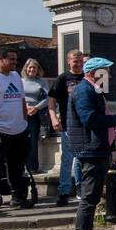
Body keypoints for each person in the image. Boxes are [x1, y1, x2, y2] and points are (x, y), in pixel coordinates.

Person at [68, 57, 116, 230]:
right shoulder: (84, 90)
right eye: (105, 71)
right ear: (92, 73)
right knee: (89, 199)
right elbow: (89, 119)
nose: (108, 75)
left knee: (93, 197)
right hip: (90, 150)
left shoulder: (94, 90)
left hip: (98, 149)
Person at [0, 47, 30, 212]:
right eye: (11, 59)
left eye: (15, 60)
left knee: (16, 165)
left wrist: (25, 120)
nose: (15, 63)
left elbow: (22, 99)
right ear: (0, 59)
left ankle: (16, 195)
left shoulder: (16, 76)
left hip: (18, 128)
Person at [47, 48, 87, 206]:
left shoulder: (87, 78)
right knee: (67, 159)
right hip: (68, 124)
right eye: (75, 61)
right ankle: (64, 191)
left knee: (81, 158)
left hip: (85, 124)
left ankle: (81, 188)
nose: (78, 64)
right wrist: (53, 118)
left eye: (80, 61)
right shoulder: (63, 78)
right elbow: (51, 100)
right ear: (68, 61)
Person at [20, 57, 49, 176]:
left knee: (32, 141)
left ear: (38, 69)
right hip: (20, 113)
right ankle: (20, 167)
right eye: (30, 67)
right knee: (20, 141)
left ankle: (33, 168)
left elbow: (48, 98)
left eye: (34, 67)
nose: (32, 69)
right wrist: (24, 107)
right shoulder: (19, 81)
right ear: (26, 69)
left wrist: (36, 107)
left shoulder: (42, 82)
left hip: (35, 113)